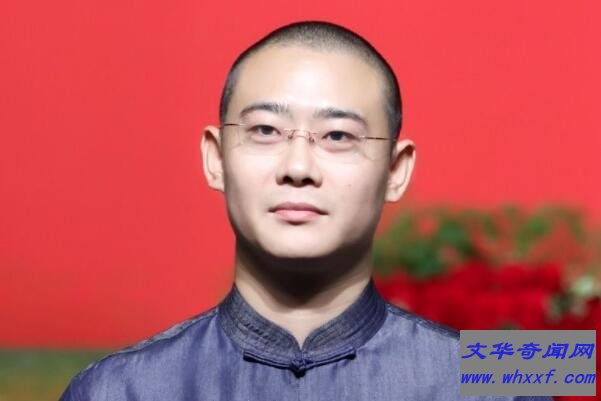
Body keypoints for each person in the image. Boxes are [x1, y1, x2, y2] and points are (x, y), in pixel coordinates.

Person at [59, 21, 552, 401]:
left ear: (396, 170)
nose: (298, 168)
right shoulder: (118, 390)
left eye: (338, 136)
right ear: (216, 159)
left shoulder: (502, 384)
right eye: (265, 131)